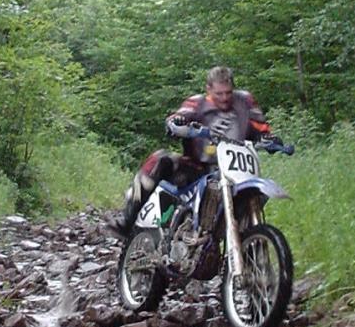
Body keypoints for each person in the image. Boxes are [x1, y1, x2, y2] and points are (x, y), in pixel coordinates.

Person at [108, 66, 272, 238]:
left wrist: (270, 140)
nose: (224, 98)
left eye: (228, 93)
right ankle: (127, 219)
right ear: (208, 89)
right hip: (196, 168)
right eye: (219, 94)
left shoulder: (245, 101)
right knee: (159, 158)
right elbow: (176, 118)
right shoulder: (197, 103)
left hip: (238, 170)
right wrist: (177, 123)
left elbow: (262, 128)